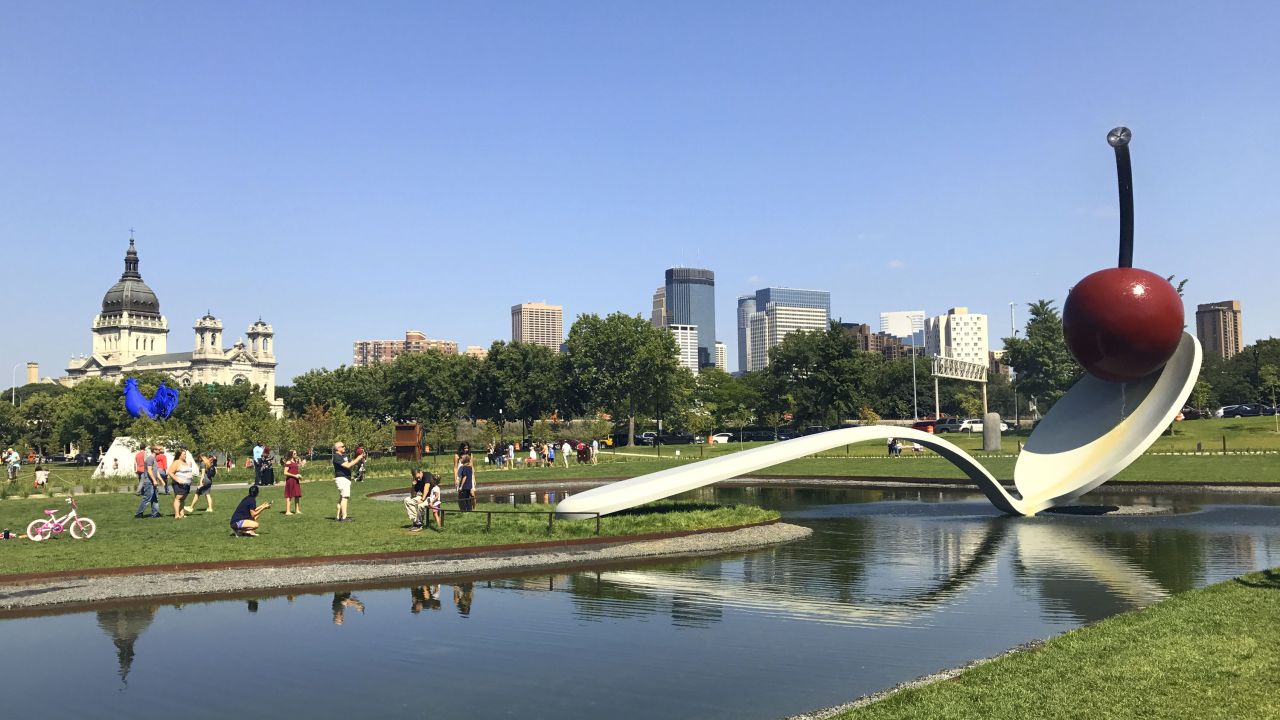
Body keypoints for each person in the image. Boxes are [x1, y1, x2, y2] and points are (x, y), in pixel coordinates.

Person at [332, 441, 366, 522]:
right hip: (342, 478)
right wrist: (358, 458)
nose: (344, 447)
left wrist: (359, 457)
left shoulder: (344, 456)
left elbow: (351, 463)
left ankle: (338, 516)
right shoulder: (336, 457)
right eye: (343, 446)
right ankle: (344, 517)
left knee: (341, 498)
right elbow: (348, 465)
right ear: (338, 448)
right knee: (345, 497)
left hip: (346, 478)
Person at [134, 444, 163, 518]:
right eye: (159, 449)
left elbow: (156, 471)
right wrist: (154, 480)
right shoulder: (150, 458)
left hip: (153, 481)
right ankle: (138, 513)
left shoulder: (154, 459)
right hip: (149, 481)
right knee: (147, 498)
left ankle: (155, 513)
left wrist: (161, 481)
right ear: (154, 450)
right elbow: (149, 471)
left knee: (155, 498)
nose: (161, 451)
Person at [169, 447, 195, 518]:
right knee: (178, 498)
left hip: (186, 484)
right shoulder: (176, 462)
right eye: (184, 454)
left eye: (185, 454)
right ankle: (177, 514)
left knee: (183, 498)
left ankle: (182, 513)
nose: (185, 456)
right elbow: (170, 472)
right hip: (178, 484)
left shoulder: (185, 462)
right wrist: (178, 480)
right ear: (179, 455)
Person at [283, 450, 303, 514]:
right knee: (289, 495)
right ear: (291, 454)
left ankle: (297, 510)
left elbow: (295, 470)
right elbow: (285, 472)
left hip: (296, 480)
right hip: (290, 480)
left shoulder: (295, 461)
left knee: (297, 495)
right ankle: (288, 511)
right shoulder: (288, 462)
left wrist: (299, 476)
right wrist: (294, 476)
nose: (296, 454)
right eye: (294, 453)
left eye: (296, 453)